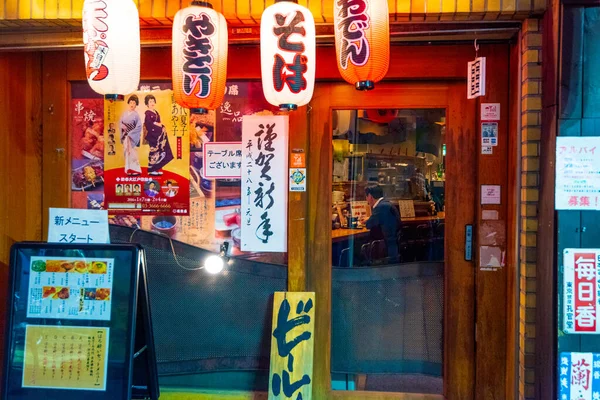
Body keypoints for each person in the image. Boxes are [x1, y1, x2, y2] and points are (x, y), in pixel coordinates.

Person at [360, 184, 401, 259]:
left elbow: (369, 225)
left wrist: (367, 220)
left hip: (387, 249)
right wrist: (369, 218)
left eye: (366, 197)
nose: (367, 200)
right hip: (394, 245)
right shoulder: (386, 204)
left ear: (370, 196)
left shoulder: (380, 207)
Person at [143, 94, 174, 176]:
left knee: (160, 151)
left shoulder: (156, 112)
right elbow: (148, 124)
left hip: (158, 135)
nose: (152, 103)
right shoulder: (147, 113)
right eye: (150, 101)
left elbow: (159, 123)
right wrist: (157, 124)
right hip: (153, 136)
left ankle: (156, 168)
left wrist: (161, 126)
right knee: (153, 152)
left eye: (153, 101)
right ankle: (150, 169)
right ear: (147, 103)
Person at [119, 95, 142, 176]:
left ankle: (135, 170)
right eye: (131, 102)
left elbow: (139, 126)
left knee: (132, 153)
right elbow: (120, 123)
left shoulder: (136, 115)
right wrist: (122, 126)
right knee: (126, 152)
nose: (132, 104)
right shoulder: (124, 113)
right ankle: (128, 169)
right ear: (128, 103)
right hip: (125, 136)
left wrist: (130, 134)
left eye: (134, 103)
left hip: (131, 137)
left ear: (136, 105)